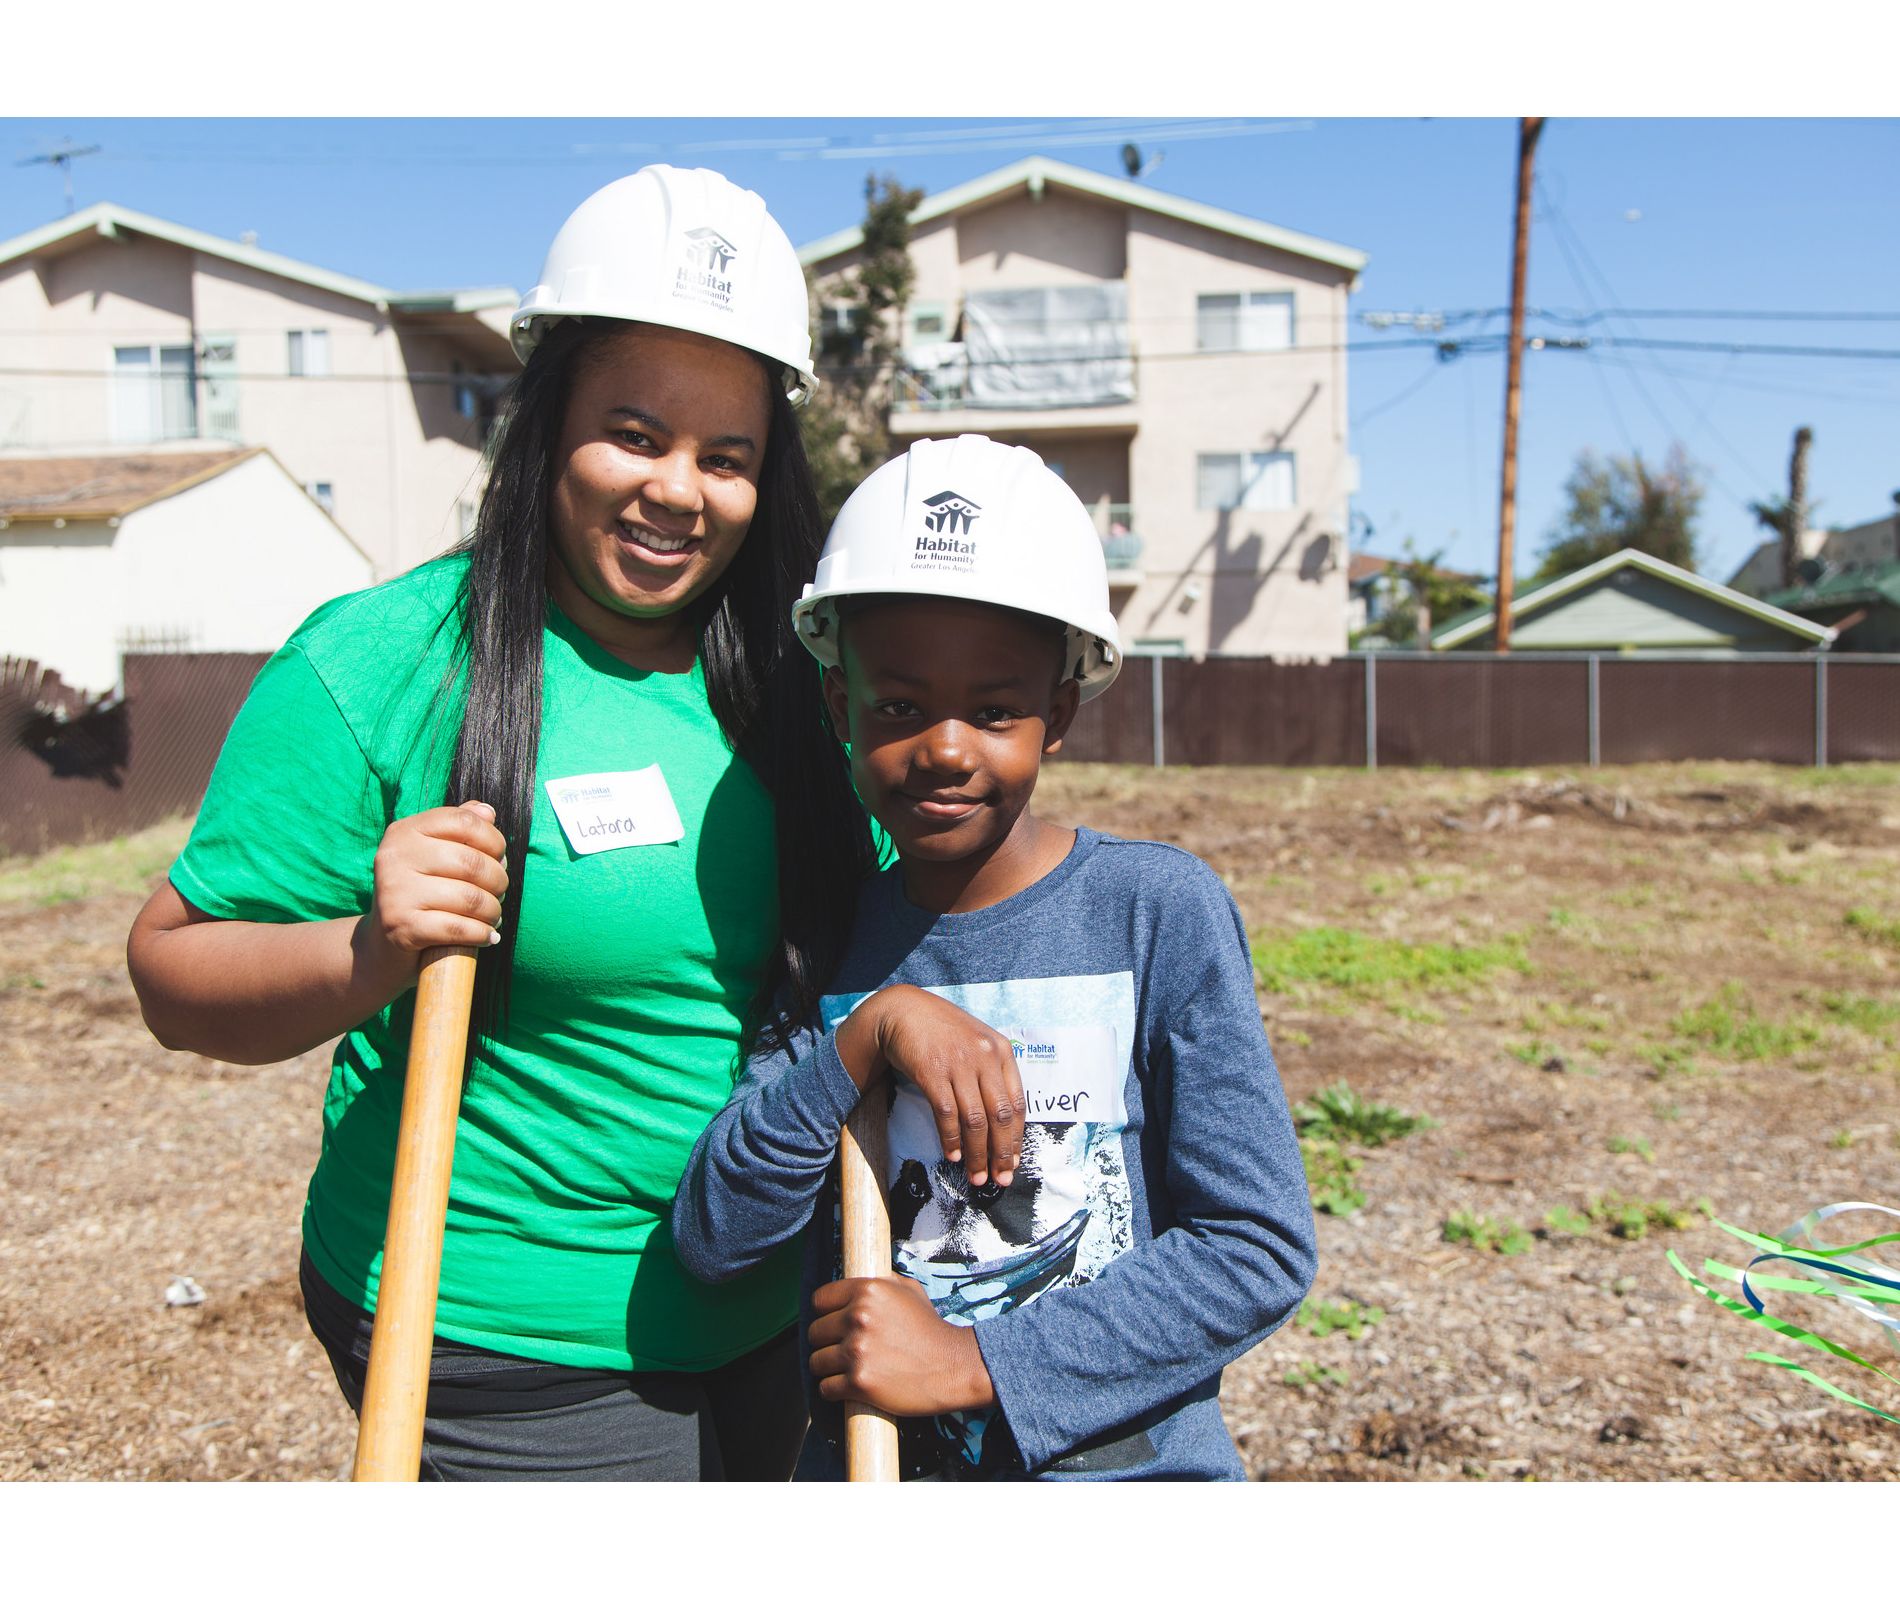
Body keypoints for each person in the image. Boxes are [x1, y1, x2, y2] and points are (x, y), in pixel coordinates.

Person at [124, 166, 879, 1481]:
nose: (678, 491)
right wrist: (371, 949)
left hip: (781, 1309)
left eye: (727, 457)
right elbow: (175, 975)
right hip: (502, 1339)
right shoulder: (388, 660)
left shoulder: (810, 670)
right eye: (634, 435)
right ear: (546, 419)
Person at [671, 434, 1317, 1481]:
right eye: (898, 705)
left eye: (996, 708)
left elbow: (1255, 1248)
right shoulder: (825, 943)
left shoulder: (1153, 913)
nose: (946, 747)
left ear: (1057, 713)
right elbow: (717, 1234)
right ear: (838, 705)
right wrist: (863, 1036)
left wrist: (977, 1358)